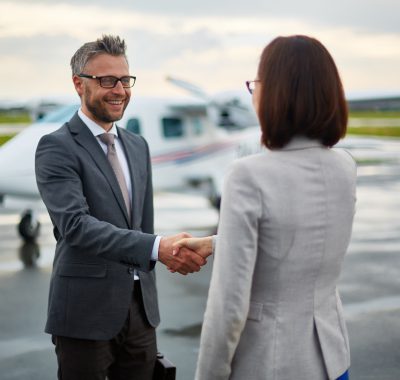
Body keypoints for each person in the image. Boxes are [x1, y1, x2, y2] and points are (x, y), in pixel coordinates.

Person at [174, 35, 355, 380]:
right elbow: (297, 236)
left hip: (271, 365)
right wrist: (217, 242)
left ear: (276, 92)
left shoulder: (248, 174)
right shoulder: (344, 166)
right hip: (331, 358)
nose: (253, 92)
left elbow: (228, 306)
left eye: (256, 83)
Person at [35, 35, 207, 380]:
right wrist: (160, 248)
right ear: (78, 84)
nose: (119, 90)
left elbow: (141, 224)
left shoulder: (137, 146)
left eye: (124, 80)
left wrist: (161, 255)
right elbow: (76, 227)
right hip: (84, 313)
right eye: (106, 80)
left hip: (141, 312)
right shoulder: (56, 148)